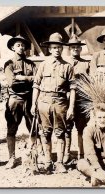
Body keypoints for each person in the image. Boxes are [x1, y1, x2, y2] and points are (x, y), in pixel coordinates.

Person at [31, 32, 75, 174]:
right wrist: (33, 104)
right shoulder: (43, 65)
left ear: (62, 49)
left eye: (59, 47)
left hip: (60, 103)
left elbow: (73, 88)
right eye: (54, 47)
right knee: (45, 133)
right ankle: (48, 162)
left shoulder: (68, 67)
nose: (57, 50)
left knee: (60, 133)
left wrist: (71, 107)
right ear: (49, 49)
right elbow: (36, 85)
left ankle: (60, 162)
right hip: (44, 102)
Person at [3, 35, 37, 169]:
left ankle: (34, 156)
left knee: (33, 129)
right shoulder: (9, 64)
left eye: (23, 45)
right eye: (18, 45)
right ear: (12, 47)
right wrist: (29, 78)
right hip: (15, 100)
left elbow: (37, 80)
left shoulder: (31, 64)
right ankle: (11, 158)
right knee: (11, 129)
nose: (21, 47)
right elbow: (12, 83)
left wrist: (21, 77)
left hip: (29, 99)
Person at [64, 34, 90, 163]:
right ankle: (66, 154)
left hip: (81, 101)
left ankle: (81, 154)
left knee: (81, 128)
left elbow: (91, 84)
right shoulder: (64, 64)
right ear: (69, 49)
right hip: (66, 101)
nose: (75, 49)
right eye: (72, 47)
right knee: (66, 128)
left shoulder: (86, 64)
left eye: (77, 47)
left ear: (81, 49)